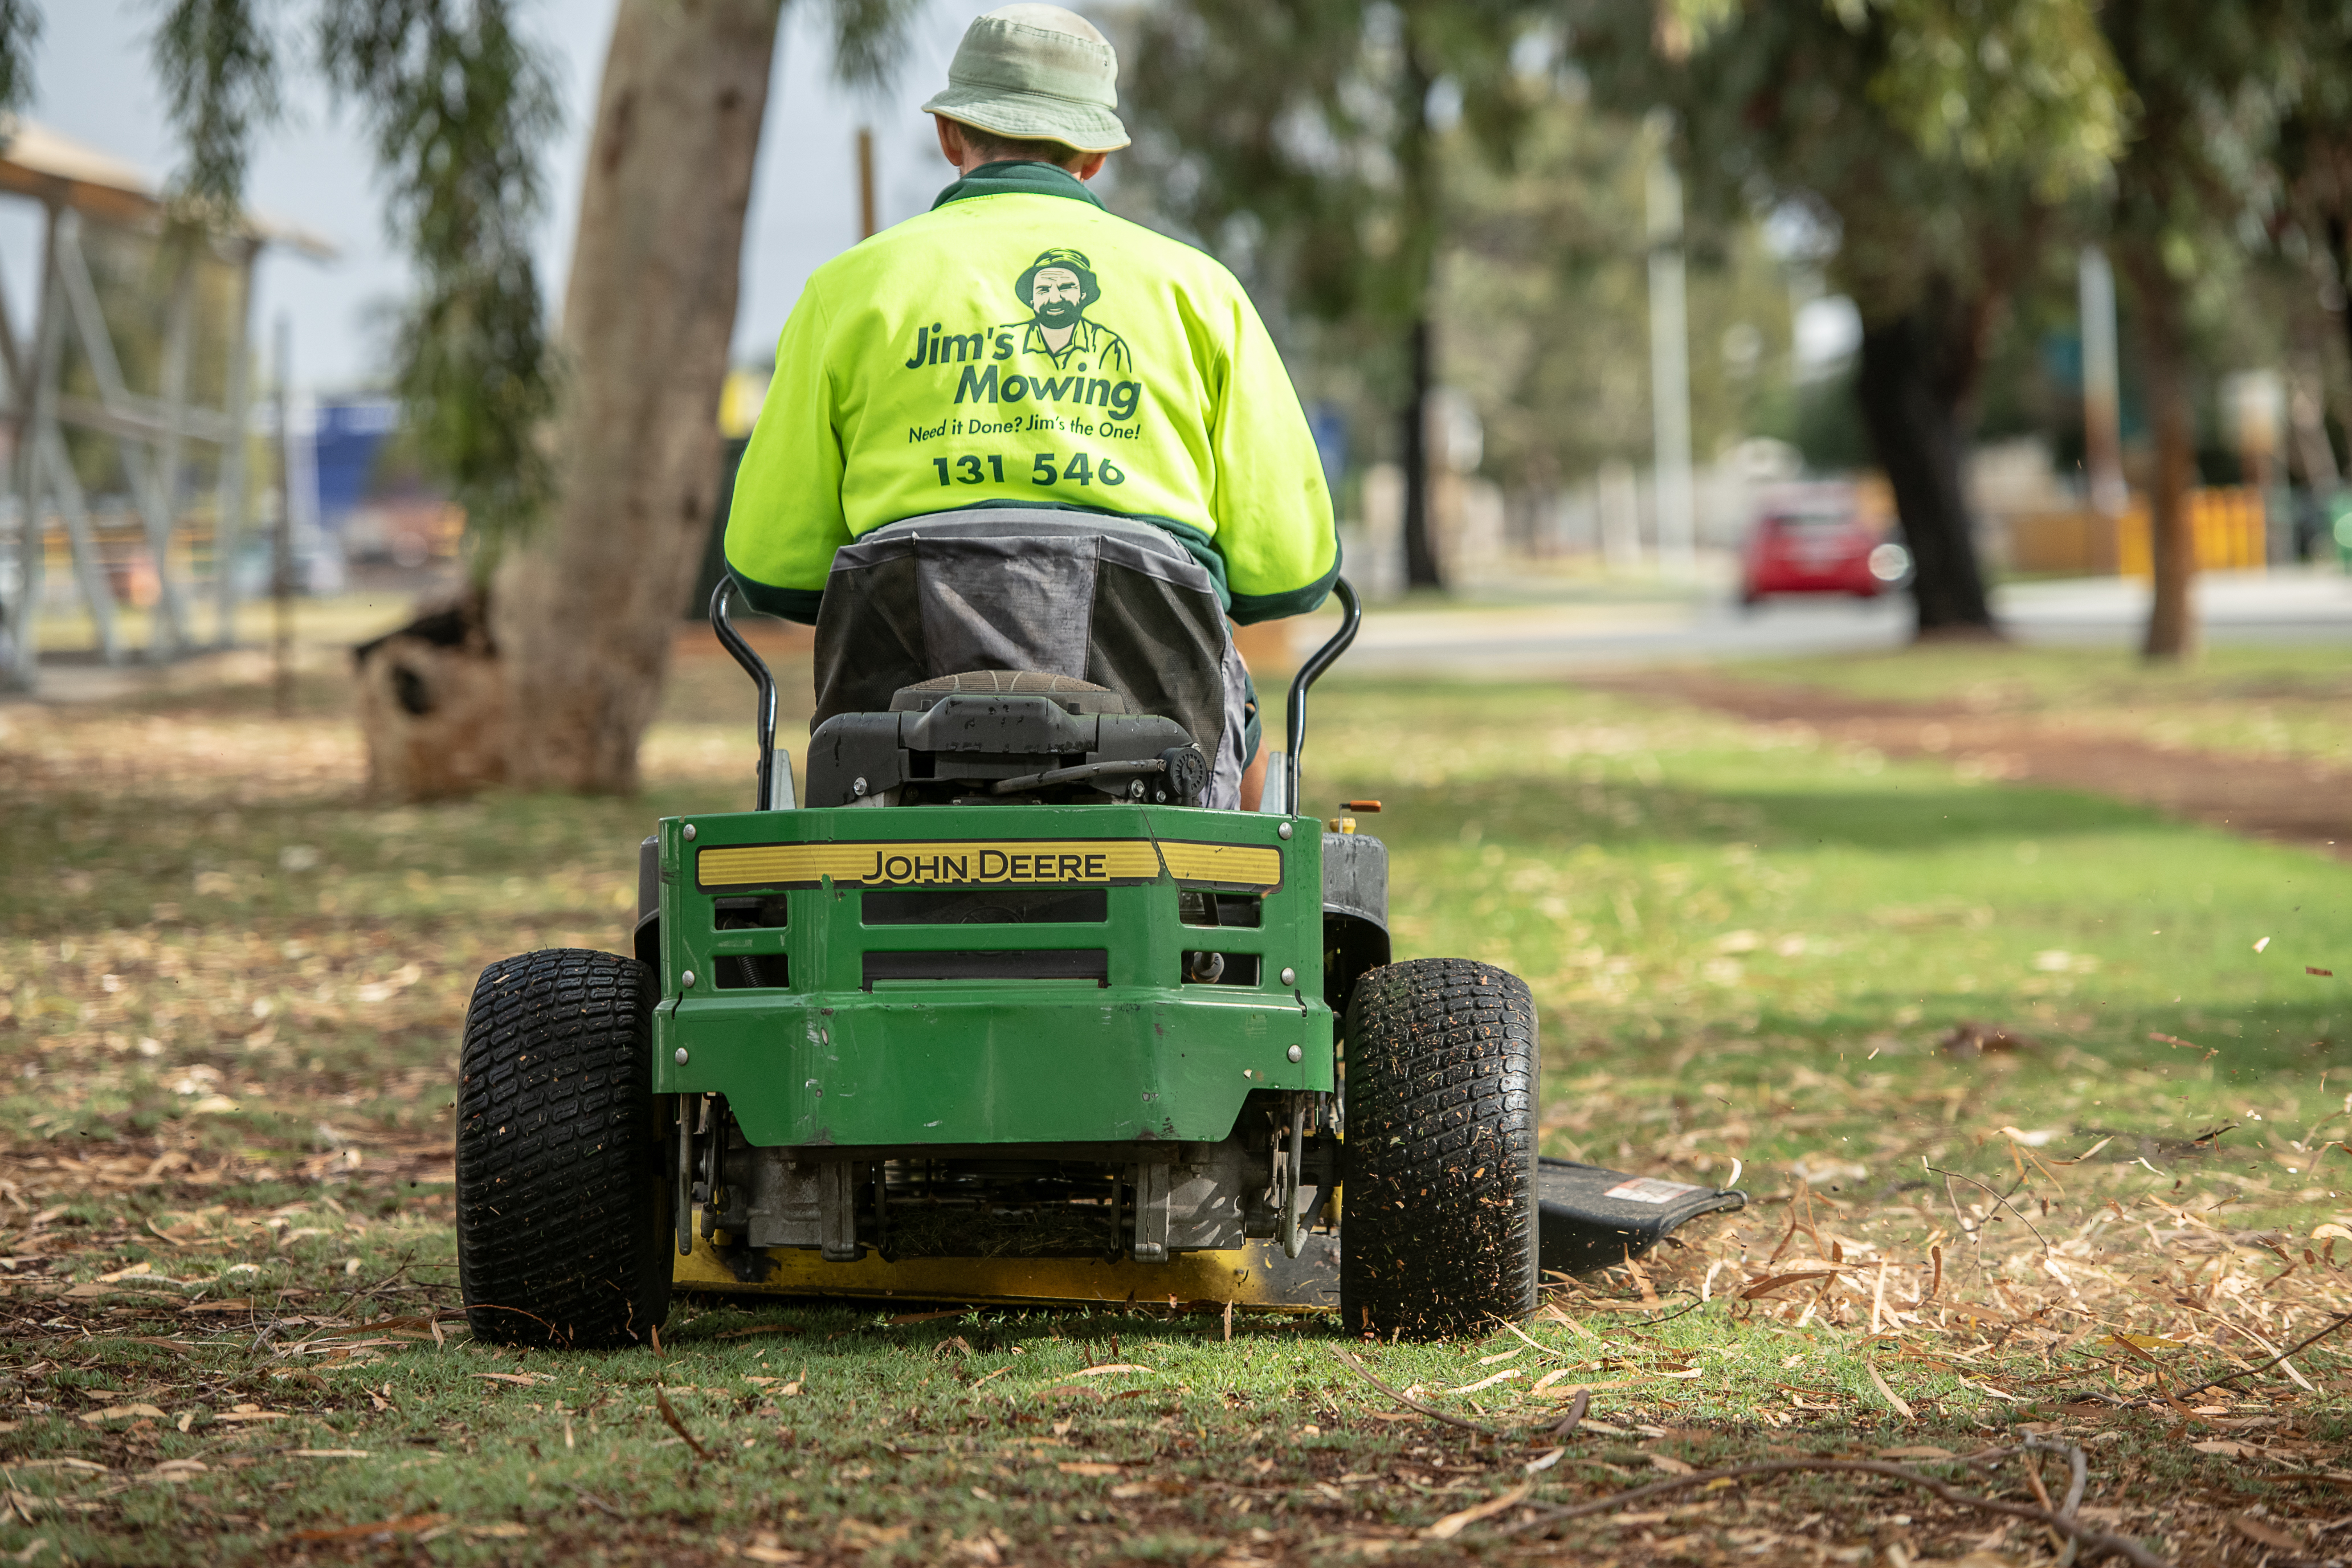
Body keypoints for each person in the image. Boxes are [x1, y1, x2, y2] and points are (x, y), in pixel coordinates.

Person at [724, 2, 1337, 810]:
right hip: (1152, 735)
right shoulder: (1199, 292)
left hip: (895, 751)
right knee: (1234, 696)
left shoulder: (848, 290)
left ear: (951, 135)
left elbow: (771, 568)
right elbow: (1291, 574)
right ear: (1096, 154)